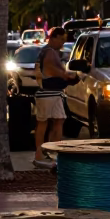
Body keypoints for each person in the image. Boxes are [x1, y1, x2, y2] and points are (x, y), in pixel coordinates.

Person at [33, 27, 79, 169]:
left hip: (52, 93)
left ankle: (52, 152)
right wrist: (71, 76)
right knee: (44, 122)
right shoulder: (49, 53)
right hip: (48, 93)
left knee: (58, 120)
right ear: (54, 37)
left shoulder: (48, 52)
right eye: (62, 40)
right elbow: (56, 71)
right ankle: (41, 154)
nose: (63, 43)